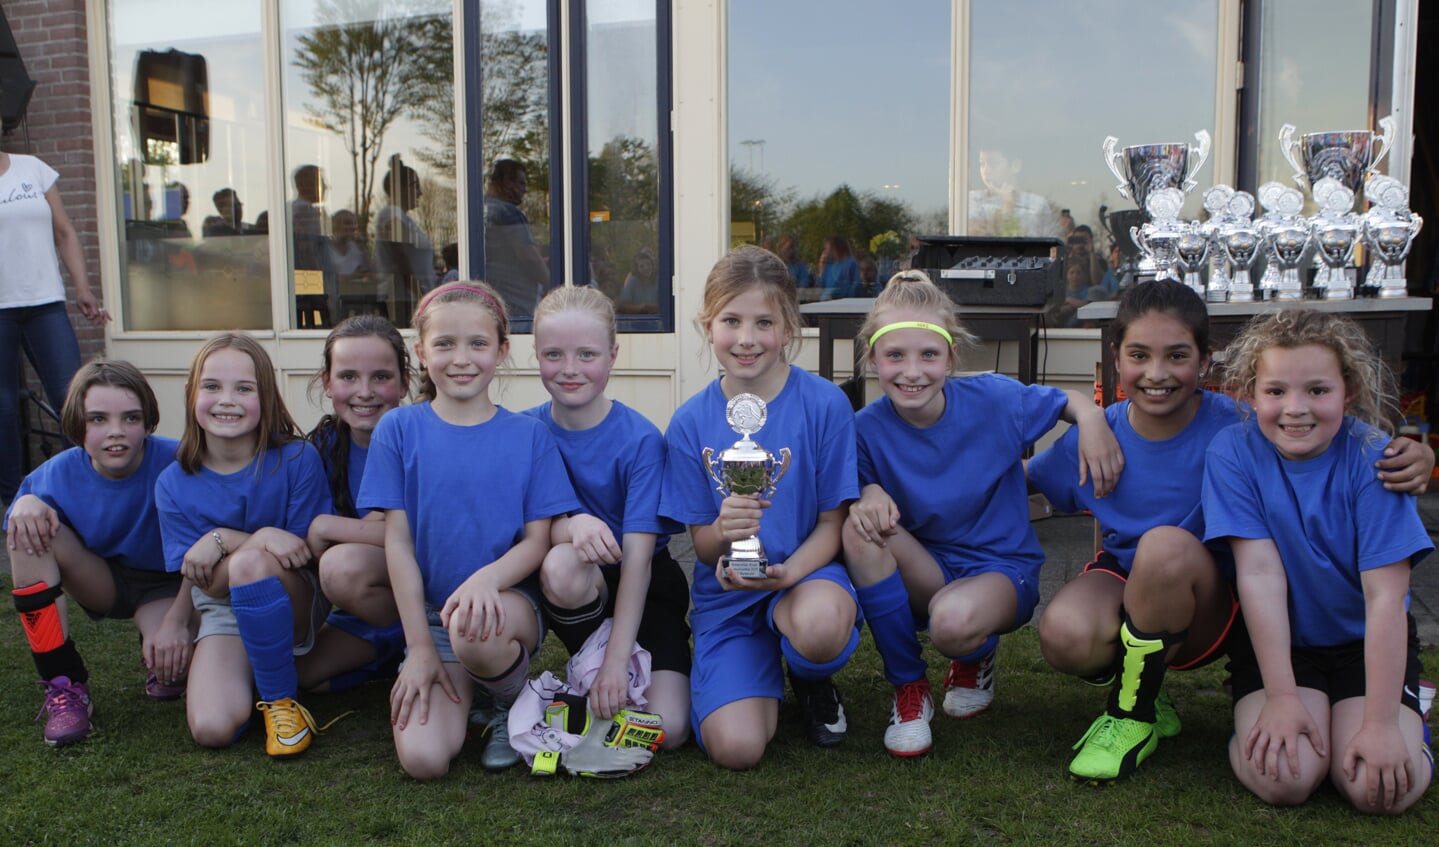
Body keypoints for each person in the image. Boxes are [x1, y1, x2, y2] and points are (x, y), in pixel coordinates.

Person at [1029, 282, 1434, 785]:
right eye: (1139, 355)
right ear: (1117, 358)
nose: (1157, 373)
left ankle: (1132, 709)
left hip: (1213, 595)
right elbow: (1020, 484)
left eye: (1177, 355)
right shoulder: (1118, 433)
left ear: (1205, 361)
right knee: (1067, 631)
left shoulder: (1246, 428)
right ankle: (1144, 701)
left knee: (1165, 547)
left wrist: (1417, 454)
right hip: (1143, 584)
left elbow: (1318, 426)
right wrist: (1084, 414)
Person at [842, 270, 1124, 758]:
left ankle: (975, 653)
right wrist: (866, 490)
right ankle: (910, 690)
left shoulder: (995, 398)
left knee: (952, 624)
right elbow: (854, 488)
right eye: (895, 356)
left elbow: (1069, 401)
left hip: (999, 570)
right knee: (859, 530)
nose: (913, 371)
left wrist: (1095, 419)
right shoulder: (864, 428)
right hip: (927, 569)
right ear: (873, 359)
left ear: (951, 357)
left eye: (929, 354)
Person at [1204, 309, 1434, 814]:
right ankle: (1270, 717)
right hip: (1283, 647)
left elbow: (1385, 598)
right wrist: (1282, 698)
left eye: (1317, 390)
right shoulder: (1233, 452)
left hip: (1363, 643)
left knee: (1381, 792)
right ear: (1249, 393)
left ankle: (1407, 715)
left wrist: (1378, 726)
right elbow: (1259, 577)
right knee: (1286, 781)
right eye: (1277, 391)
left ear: (1347, 391)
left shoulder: (1377, 457)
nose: (1296, 409)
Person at [357, 281, 579, 781]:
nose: (461, 358)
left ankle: (513, 699)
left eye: (478, 344)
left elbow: (538, 542)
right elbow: (399, 541)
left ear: (501, 351)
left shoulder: (529, 435)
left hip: (505, 607)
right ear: (420, 352)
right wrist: (417, 649)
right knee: (424, 760)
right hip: (435, 623)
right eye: (444, 344)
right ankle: (474, 690)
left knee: (472, 628)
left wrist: (486, 581)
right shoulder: (398, 430)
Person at [660, 245, 862, 769]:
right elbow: (701, 546)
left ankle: (812, 676)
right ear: (708, 326)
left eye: (764, 322)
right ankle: (755, 671)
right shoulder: (688, 423)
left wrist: (790, 571)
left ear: (790, 327)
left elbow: (831, 523)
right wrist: (725, 534)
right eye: (731, 320)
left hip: (806, 580)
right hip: (728, 597)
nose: (746, 338)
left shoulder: (825, 405)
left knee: (818, 628)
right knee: (737, 749)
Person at [527, 285, 691, 749]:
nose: (570, 369)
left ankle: (611, 672)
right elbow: (523, 531)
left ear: (613, 354)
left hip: (644, 584)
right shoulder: (525, 431)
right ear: (535, 354)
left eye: (587, 353)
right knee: (562, 562)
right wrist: (570, 524)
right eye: (554, 354)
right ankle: (588, 668)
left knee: (670, 729)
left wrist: (620, 661)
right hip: (576, 587)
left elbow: (638, 560)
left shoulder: (639, 440)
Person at [155, 334, 335, 756]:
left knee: (250, 564)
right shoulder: (173, 483)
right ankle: (253, 671)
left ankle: (280, 702)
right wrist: (253, 539)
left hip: (294, 599)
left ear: (266, 396)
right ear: (191, 394)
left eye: (244, 388)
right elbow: (211, 585)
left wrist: (225, 540)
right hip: (222, 611)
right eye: (212, 386)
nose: (227, 400)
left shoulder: (296, 459)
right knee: (212, 729)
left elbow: (302, 553)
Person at [6, 360, 193, 746]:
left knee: (176, 674)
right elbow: (23, 506)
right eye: (98, 420)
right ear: (78, 424)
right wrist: (24, 504)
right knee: (27, 532)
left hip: (167, 587)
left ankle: (159, 657)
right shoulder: (59, 471)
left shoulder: (180, 459)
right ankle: (66, 685)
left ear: (148, 420)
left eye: (130, 418)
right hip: (103, 580)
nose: (116, 433)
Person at [294, 316, 409, 697]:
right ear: (327, 382)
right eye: (348, 377)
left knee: (340, 567)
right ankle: (392, 655)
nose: (364, 392)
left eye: (381, 376)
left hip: (430, 597)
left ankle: (433, 648)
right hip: (367, 606)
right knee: (302, 677)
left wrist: (327, 527)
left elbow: (421, 535)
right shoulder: (324, 448)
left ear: (405, 381)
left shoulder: (424, 437)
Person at [0, 148, 108, 503]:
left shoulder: (33, 168)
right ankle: (14, 502)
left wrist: (83, 287)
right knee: (3, 408)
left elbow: (64, 232)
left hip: (45, 302)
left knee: (71, 397)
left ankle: (83, 490)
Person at [483, 159, 550, 319]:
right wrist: (551, 284)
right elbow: (528, 256)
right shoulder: (508, 212)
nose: (525, 190)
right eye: (521, 183)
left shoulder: (479, 210)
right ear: (506, 182)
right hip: (516, 305)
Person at [375, 154, 435, 313]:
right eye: (415, 186)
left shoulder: (402, 217)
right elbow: (401, 259)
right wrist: (419, 293)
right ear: (398, 188)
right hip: (403, 300)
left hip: (414, 299)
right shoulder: (391, 215)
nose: (420, 193)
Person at [968, 148, 1059, 237]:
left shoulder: (1037, 204)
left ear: (1016, 166)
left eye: (994, 163)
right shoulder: (974, 200)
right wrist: (1006, 208)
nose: (986, 171)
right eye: (982, 164)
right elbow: (974, 242)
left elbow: (1051, 246)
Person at [617, 246, 659, 315]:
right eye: (642, 266)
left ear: (652, 265)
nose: (646, 268)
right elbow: (623, 306)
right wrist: (641, 308)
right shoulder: (632, 281)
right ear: (637, 269)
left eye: (648, 264)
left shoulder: (658, 279)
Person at [817, 236, 859, 301]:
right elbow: (821, 285)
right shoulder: (829, 266)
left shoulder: (851, 263)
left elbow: (855, 284)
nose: (826, 251)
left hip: (842, 302)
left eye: (828, 248)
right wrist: (821, 267)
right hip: (826, 301)